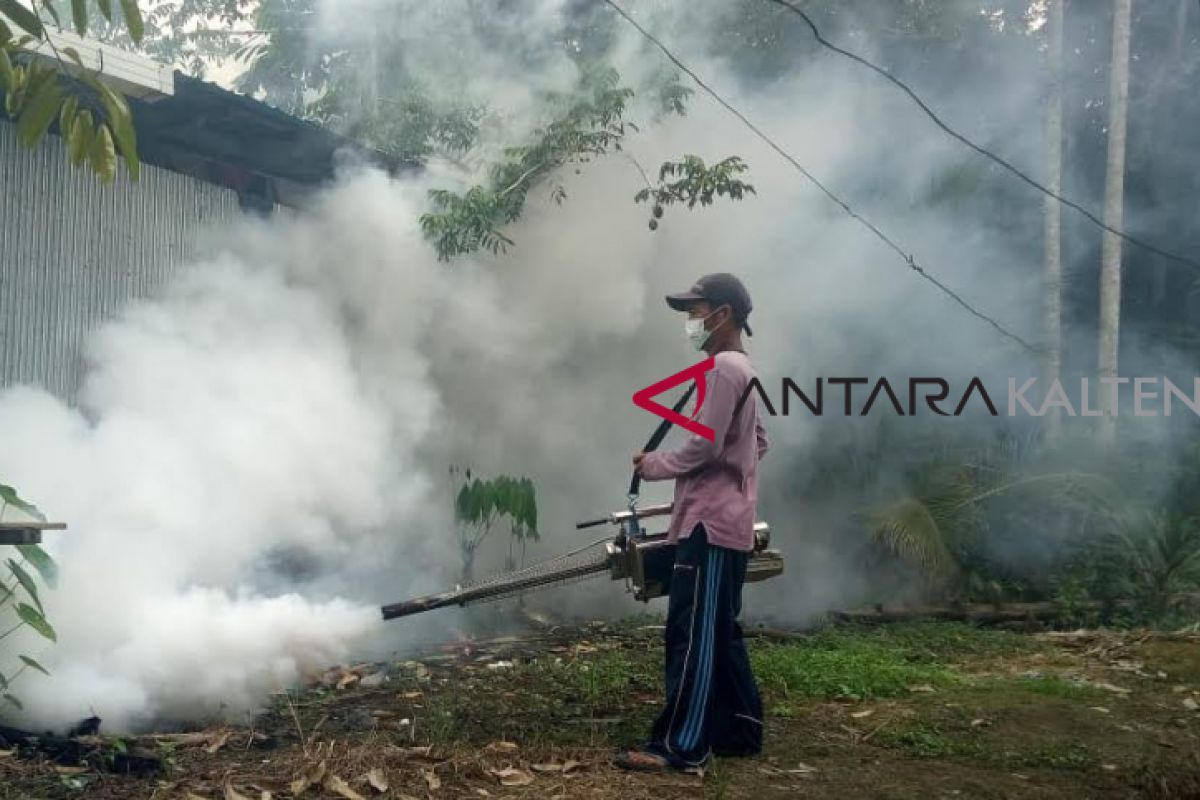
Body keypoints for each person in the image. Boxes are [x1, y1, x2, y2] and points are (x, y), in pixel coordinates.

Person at [614, 272, 769, 773]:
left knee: (694, 634)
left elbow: (704, 443)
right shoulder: (741, 368)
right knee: (719, 631)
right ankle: (739, 731)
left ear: (721, 315)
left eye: (695, 311)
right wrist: (736, 479)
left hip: (709, 525)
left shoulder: (724, 368)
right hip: (726, 522)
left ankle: (683, 747)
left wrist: (652, 465)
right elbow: (757, 441)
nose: (691, 321)